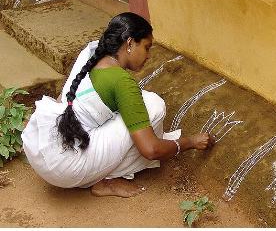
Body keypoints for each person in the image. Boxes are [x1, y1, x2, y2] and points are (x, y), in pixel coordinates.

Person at [22, 12, 214, 198]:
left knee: (135, 106)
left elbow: (63, 99)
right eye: (147, 47)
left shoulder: (91, 55)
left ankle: (94, 169)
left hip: (41, 151)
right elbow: (151, 150)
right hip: (64, 168)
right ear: (130, 43)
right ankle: (106, 179)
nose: (148, 56)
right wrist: (191, 142)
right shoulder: (121, 81)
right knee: (154, 106)